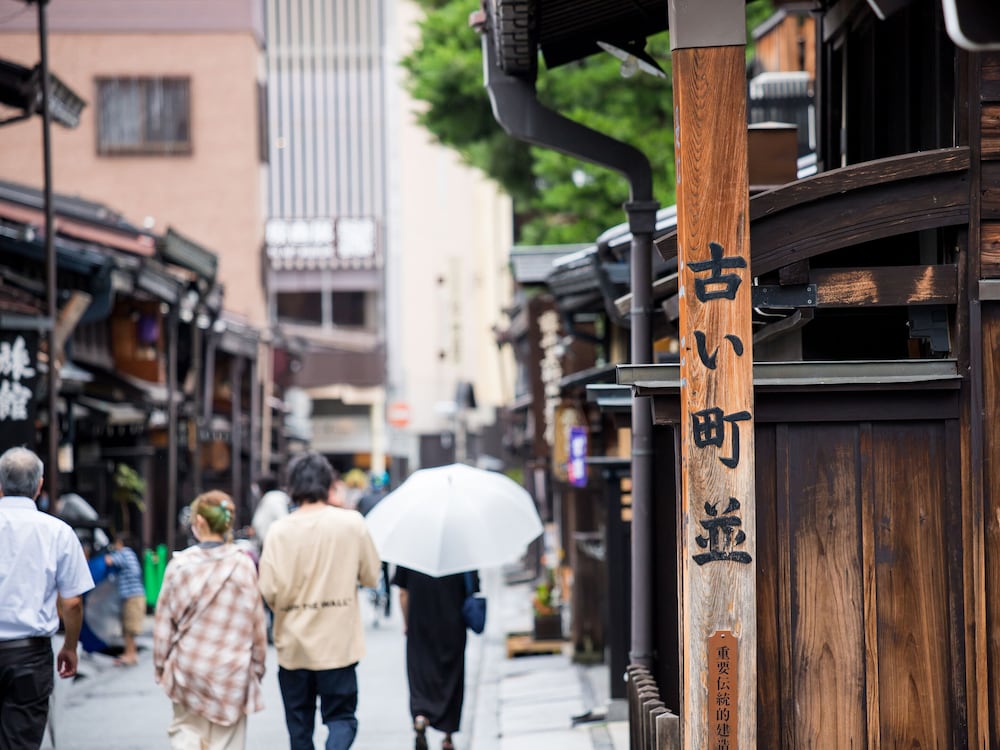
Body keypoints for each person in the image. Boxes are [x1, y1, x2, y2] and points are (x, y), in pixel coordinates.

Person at [258, 451, 381, 750]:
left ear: (292, 487)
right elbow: (371, 576)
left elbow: (269, 589)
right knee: (342, 719)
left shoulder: (278, 531)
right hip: (337, 643)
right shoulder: (352, 524)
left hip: (294, 645)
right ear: (329, 484)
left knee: (299, 729)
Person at [153, 490, 267, 750]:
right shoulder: (243, 564)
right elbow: (256, 623)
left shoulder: (180, 566)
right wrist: (258, 664)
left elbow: (163, 625)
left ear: (200, 523)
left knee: (186, 731)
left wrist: (161, 665)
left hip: (188, 668)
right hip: (232, 671)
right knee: (227, 741)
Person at [0, 447, 95, 750]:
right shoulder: (58, 532)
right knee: (20, 742)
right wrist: (69, 647)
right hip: (29, 655)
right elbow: (72, 602)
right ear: (40, 485)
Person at [392, 566, 480, 750]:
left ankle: (421, 718)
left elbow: (403, 593)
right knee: (451, 677)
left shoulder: (412, 551)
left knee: (420, 676)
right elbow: (472, 589)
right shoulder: (462, 550)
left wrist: (407, 623)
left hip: (419, 627)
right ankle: (448, 736)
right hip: (452, 626)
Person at [104, 532, 146, 666]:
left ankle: (130, 655)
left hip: (132, 597)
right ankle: (131, 654)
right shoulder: (131, 554)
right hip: (134, 596)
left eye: (116, 543)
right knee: (129, 628)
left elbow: (109, 561)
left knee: (129, 628)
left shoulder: (125, 553)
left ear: (120, 543)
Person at [250, 473, 290, 553]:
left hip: (274, 548)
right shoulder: (269, 499)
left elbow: (283, 519)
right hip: (268, 546)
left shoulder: (274, 500)